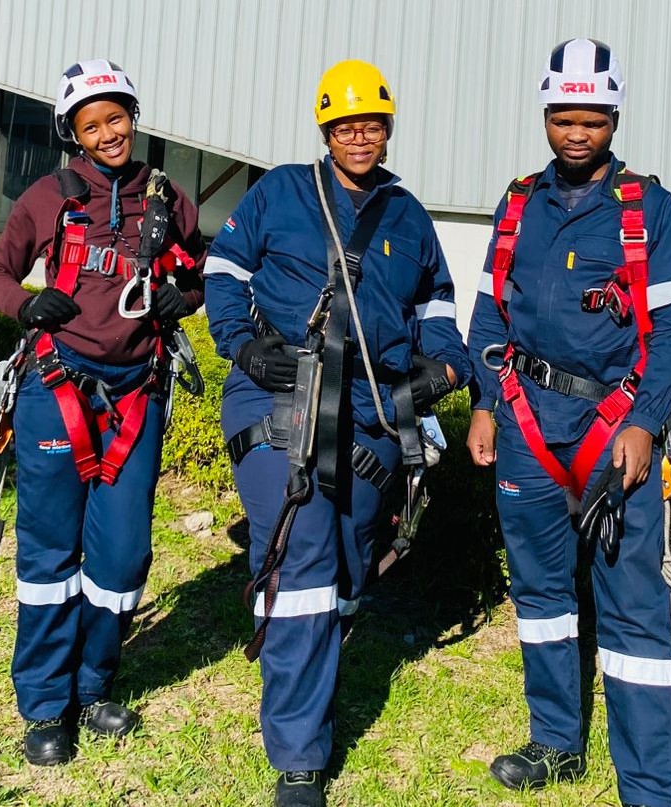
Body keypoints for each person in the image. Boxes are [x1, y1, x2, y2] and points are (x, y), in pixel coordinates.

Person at [205, 60, 470, 807]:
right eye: (346, 123)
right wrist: (241, 343)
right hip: (282, 390)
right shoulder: (282, 190)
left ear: (388, 129)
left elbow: (440, 308)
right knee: (305, 557)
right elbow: (222, 266)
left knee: (351, 566)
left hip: (375, 411)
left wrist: (440, 373)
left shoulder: (407, 214)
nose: (360, 134)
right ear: (325, 129)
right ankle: (298, 756)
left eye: (372, 122)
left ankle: (299, 645)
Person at [465, 39, 671, 807]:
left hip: (614, 433)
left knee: (632, 619)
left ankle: (650, 789)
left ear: (613, 116)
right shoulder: (519, 201)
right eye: (562, 117)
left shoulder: (646, 209)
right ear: (546, 114)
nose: (575, 132)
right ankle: (557, 743)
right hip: (528, 431)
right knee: (540, 597)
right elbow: (489, 311)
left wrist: (645, 421)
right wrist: (485, 402)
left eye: (590, 119)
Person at [0, 59, 206, 766]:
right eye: (92, 124)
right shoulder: (47, 198)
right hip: (59, 389)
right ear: (73, 133)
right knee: (50, 554)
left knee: (122, 553)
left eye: (117, 118)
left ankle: (94, 681)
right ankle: (46, 703)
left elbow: (197, 273)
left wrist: (183, 299)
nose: (109, 133)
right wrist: (26, 303)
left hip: (137, 393)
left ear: (132, 118)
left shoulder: (169, 200)